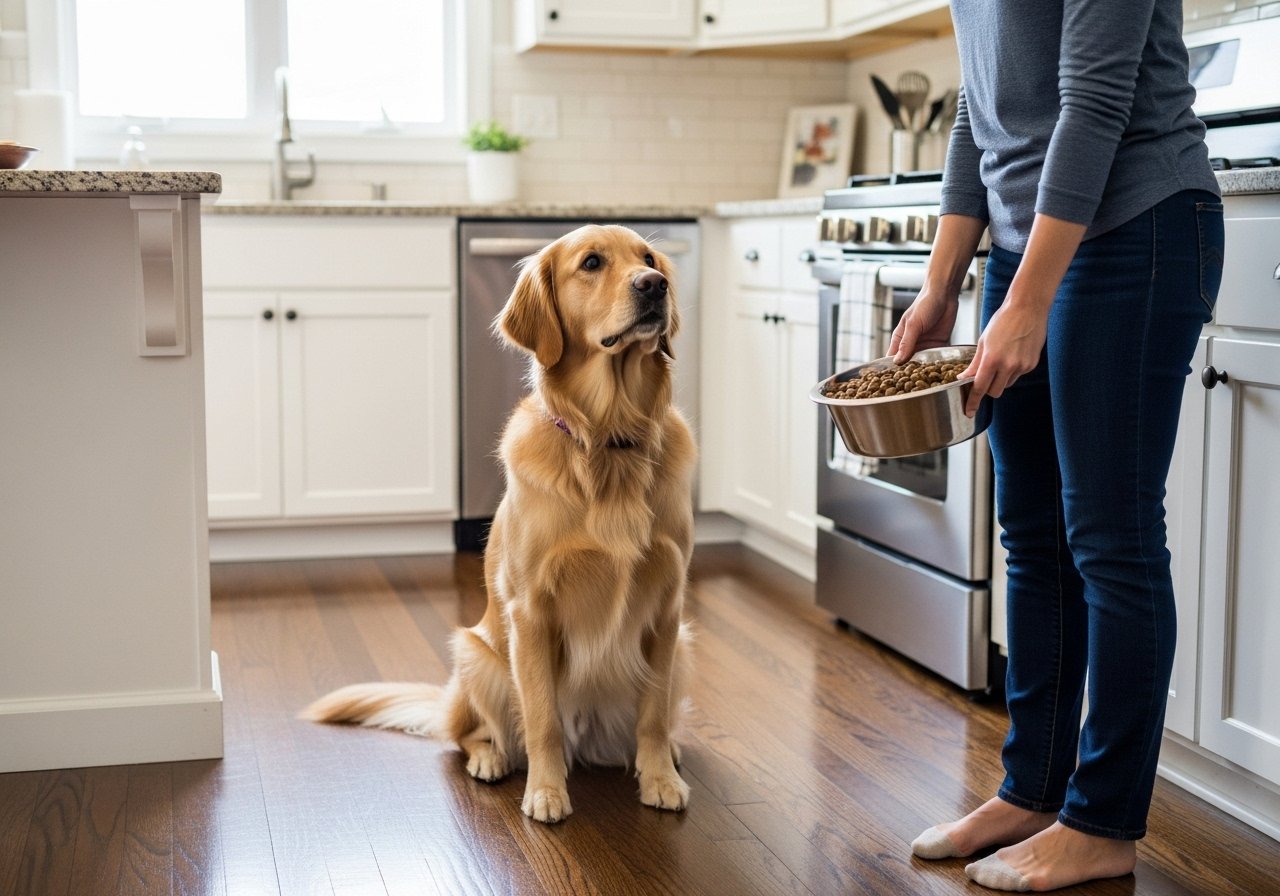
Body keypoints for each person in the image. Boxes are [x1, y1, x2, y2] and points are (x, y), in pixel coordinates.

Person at [889, 0, 1225, 891]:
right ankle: (1032, 789)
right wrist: (942, 283)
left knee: (1110, 539)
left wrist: (1030, 300)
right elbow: (980, 107)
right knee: (1033, 536)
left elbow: (1096, 102)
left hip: (1136, 228)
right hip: (1023, 238)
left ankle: (1104, 821)